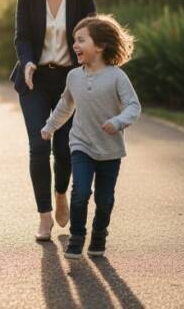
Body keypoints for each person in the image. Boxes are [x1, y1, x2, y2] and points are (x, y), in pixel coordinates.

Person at [11, 0, 99, 241]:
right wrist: (27, 63)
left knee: (64, 149)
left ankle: (61, 192)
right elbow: (22, 36)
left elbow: (90, 36)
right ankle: (44, 217)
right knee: (38, 145)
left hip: (70, 81)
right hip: (34, 80)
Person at [40, 15, 141, 259]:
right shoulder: (74, 76)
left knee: (105, 199)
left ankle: (99, 235)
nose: (74, 45)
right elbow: (65, 106)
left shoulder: (117, 77)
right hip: (81, 144)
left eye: (81, 40)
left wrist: (118, 122)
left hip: (110, 149)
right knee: (81, 192)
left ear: (100, 46)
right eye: (74, 40)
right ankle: (76, 238)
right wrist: (50, 126)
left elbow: (133, 106)